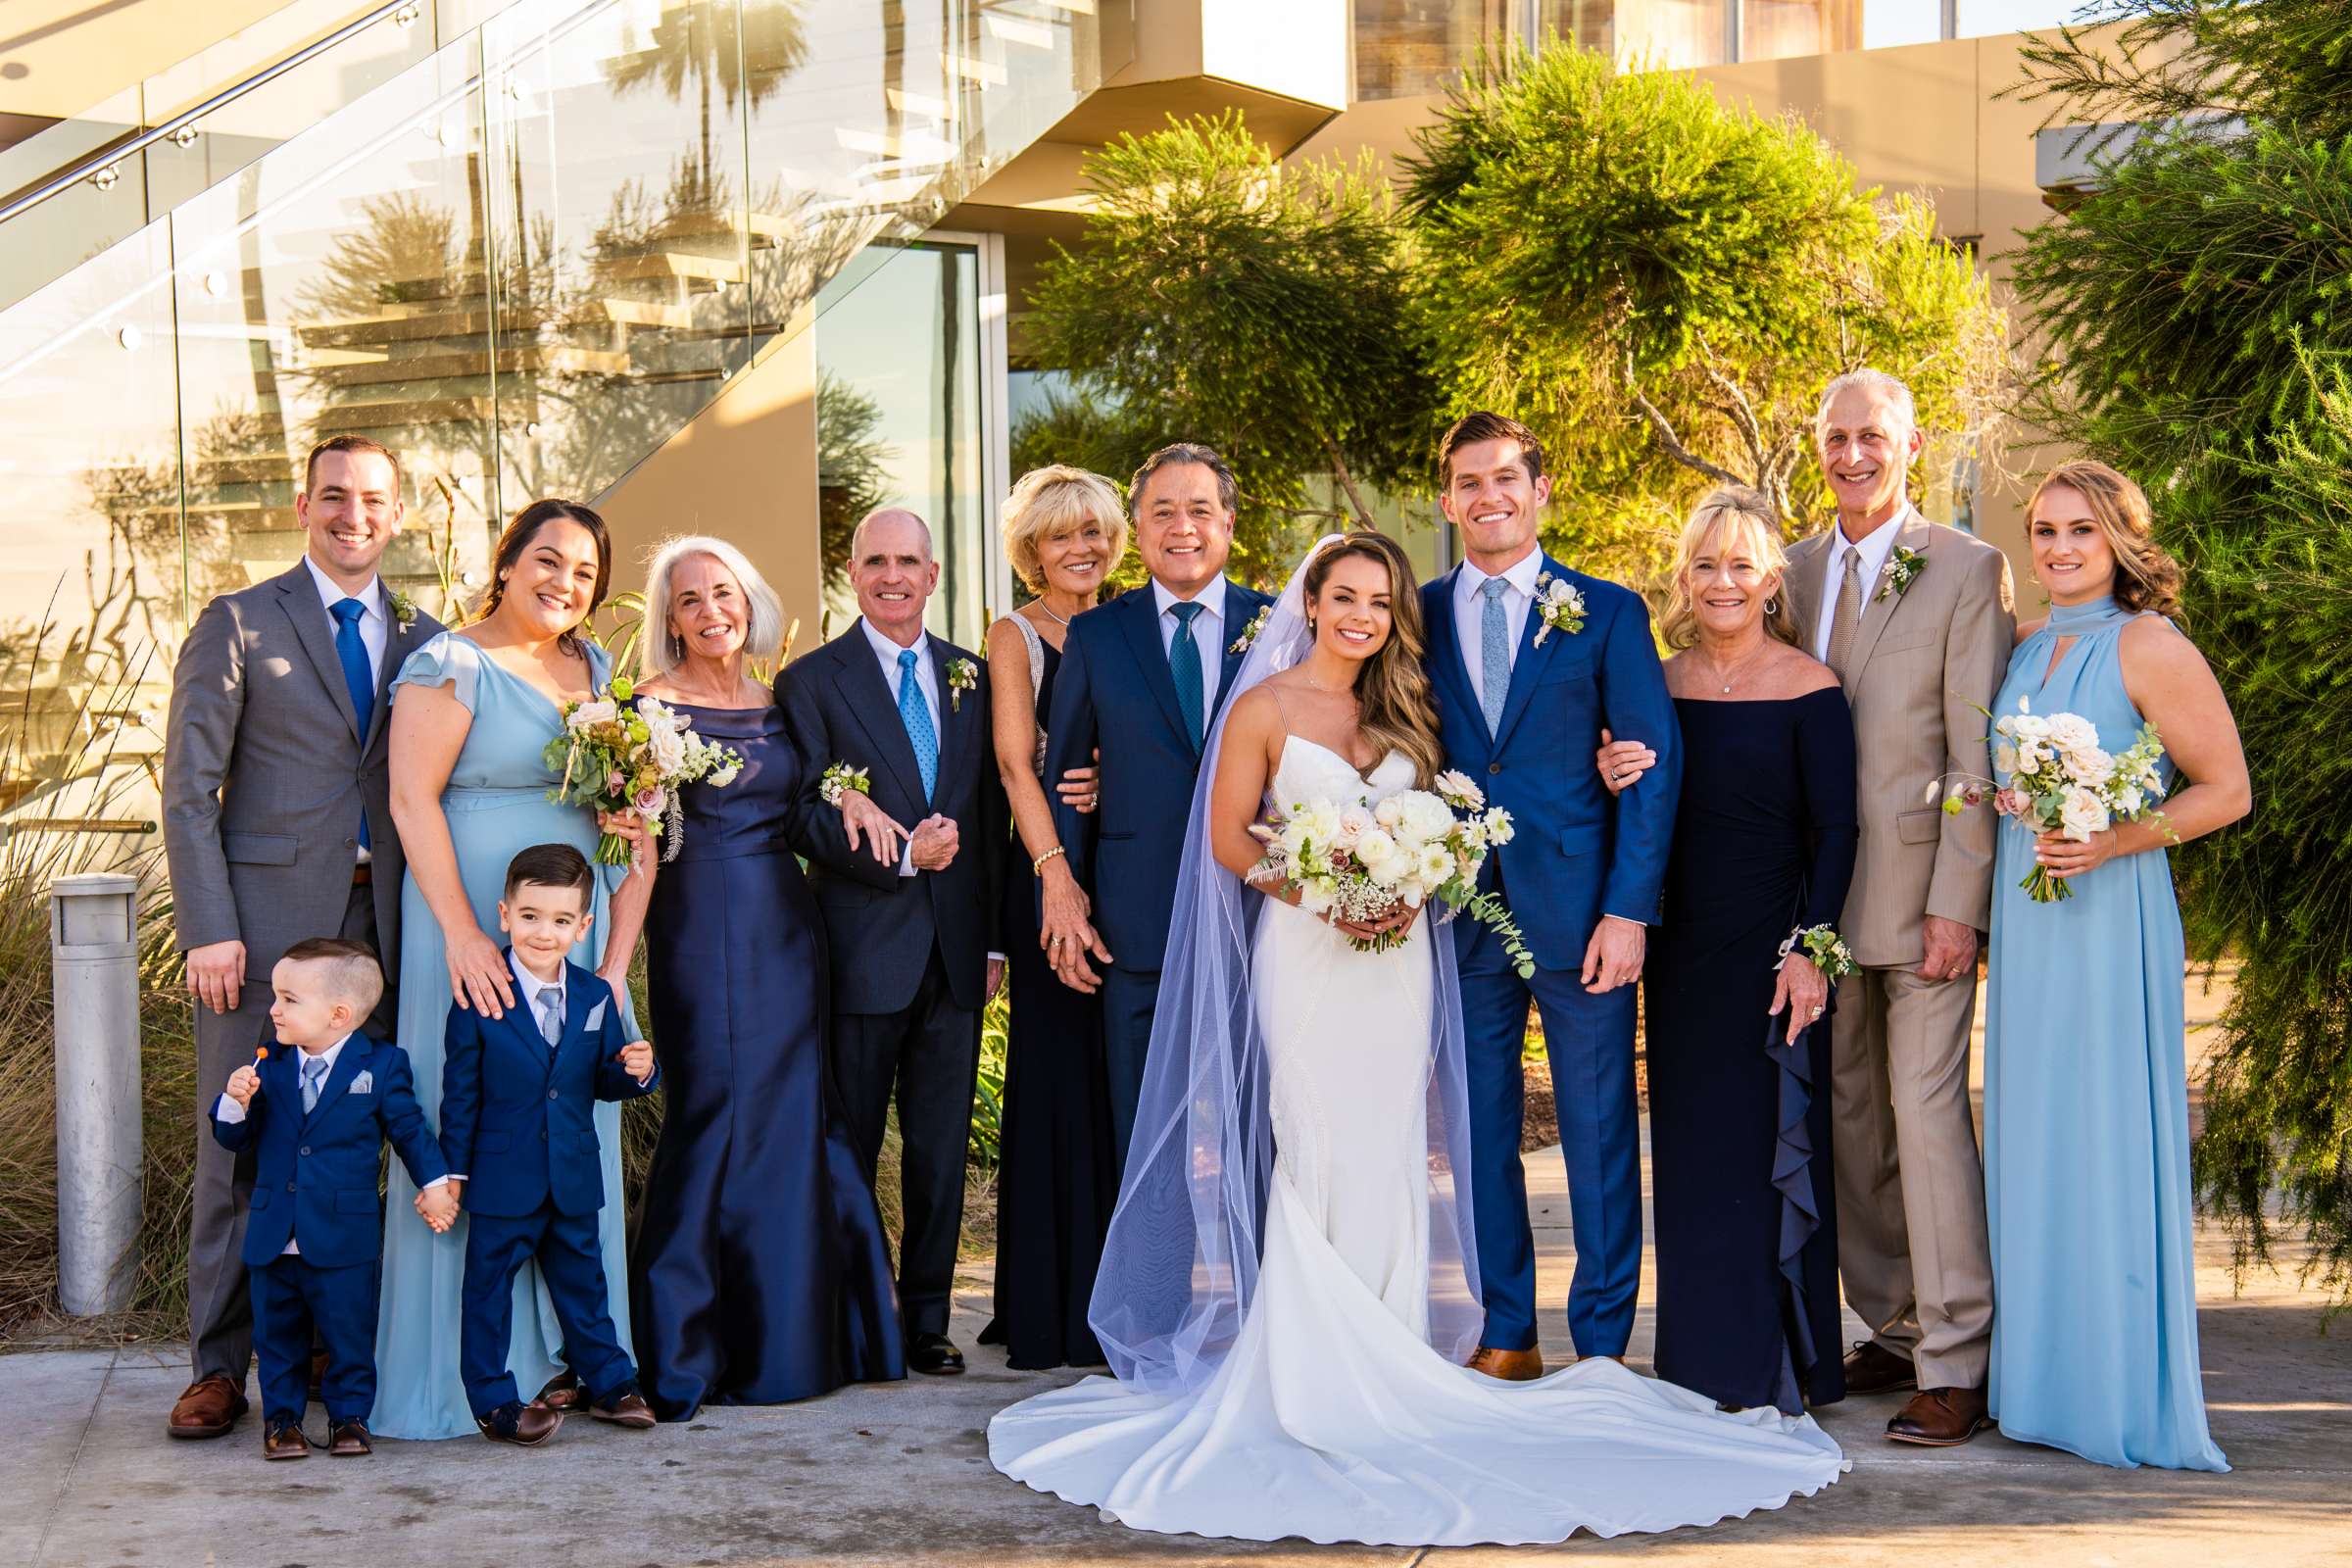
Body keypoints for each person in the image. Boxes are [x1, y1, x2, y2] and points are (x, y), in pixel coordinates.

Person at [988, 532, 1846, 1546]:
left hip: (1399, 958)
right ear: (1310, 602)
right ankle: (1314, 1368)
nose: (1362, 615)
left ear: (1398, 615)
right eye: (1344, 596)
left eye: (1379, 602)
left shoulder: (1407, 710)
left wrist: (1428, 872)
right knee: (1313, 1144)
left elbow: (1464, 803)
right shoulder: (1262, 708)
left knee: (1400, 1144)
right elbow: (1228, 840)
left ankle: (1403, 1346)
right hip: (1308, 957)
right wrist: (1327, 893)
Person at [163, 435, 443, 1441]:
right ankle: (216, 1369)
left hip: (387, 927)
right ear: (302, 505)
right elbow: (189, 789)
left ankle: (326, 1347)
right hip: (265, 932)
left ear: (397, 511)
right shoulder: (239, 620)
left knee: (358, 1142)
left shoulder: (425, 631)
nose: (353, 514)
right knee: (239, 1141)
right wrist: (209, 928)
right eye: (334, 496)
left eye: (372, 499)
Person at [600, 535, 906, 1420]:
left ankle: (807, 1340)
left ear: (749, 599)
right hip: (701, 927)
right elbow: (641, 852)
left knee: (795, 1115)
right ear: (669, 618)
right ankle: (694, 1352)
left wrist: (848, 794)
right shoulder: (642, 708)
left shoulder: (782, 702)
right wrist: (617, 970)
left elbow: (816, 794)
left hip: (787, 926)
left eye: (722, 593)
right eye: (689, 599)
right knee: (716, 1111)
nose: (710, 612)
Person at [1983, 462, 2245, 1470]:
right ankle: (2042, 1384)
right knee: (2037, 1138)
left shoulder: (2150, 644)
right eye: (2045, 530)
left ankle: (2114, 1390)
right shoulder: (2027, 643)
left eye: (2080, 532)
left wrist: (2116, 838)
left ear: (2121, 543)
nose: (2056, 548)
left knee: (2102, 1136)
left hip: (2108, 918)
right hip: (2032, 916)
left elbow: (2227, 789)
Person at [375, 498, 647, 1440]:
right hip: (470, 915)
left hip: (573, 919)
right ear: (507, 562)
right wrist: (459, 932)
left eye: (583, 572)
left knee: (568, 1122)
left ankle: (577, 1360)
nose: (563, 583)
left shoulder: (595, 666)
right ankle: (465, 1375)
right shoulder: (450, 661)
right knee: (476, 1110)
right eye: (546, 559)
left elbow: (616, 792)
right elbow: (412, 800)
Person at [1417, 412, 1681, 1379]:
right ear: (1447, 501)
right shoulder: (1420, 611)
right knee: (1478, 1128)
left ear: (1539, 491)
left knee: (1599, 1129)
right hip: (1458, 911)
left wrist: (1630, 909)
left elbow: (1650, 765)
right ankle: (1507, 1331)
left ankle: (1604, 1343)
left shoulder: (1604, 611)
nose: (1488, 496)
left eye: (1505, 478)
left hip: (1582, 911)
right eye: (1468, 482)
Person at [1784, 369, 2014, 1446]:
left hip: (1925, 899)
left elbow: (1976, 754)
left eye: (1872, 435)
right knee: (1853, 1121)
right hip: (1821, 905)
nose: (1853, 454)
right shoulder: (1787, 570)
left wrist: (1958, 900)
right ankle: (1897, 1319)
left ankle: (1958, 1358)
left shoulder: (1969, 567)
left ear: (1911, 443)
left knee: (1925, 1123)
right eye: (1836, 436)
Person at [1597, 489, 1857, 1414]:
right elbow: (1632, 813)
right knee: (1695, 1154)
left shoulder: (1812, 687)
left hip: (1774, 954)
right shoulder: (1653, 685)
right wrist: (1611, 771)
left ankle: (1789, 1361)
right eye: (1705, 565)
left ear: (1771, 579)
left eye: (1742, 564)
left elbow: (1839, 832)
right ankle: (1699, 1359)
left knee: (1769, 1150)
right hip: (1681, 956)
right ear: (1683, 579)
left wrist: (1811, 953)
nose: (1722, 582)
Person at [776, 508, 1006, 1377]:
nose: (892, 575)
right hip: (861, 948)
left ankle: (927, 1321)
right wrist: (901, 858)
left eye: (908, 561)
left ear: (934, 574)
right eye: (875, 561)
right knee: (854, 1140)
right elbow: (798, 812)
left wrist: (993, 946)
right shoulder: (810, 682)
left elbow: (986, 819)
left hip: (956, 957)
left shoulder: (972, 678)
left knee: (940, 1151)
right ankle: (855, 1313)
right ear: (852, 571)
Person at [1040, 444, 1277, 1167]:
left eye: (1200, 510)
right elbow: (1068, 780)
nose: (1183, 528)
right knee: (1143, 1146)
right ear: (1136, 533)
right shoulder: (1096, 635)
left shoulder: (1279, 630)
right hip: (1131, 929)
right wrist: (1068, 901)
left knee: (1261, 1135)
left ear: (1229, 525)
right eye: (1163, 512)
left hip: (1261, 919)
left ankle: (1263, 1283)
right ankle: (1155, 1284)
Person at [976, 466, 1124, 1370]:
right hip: (1051, 869)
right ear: (1032, 549)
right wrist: (1056, 883)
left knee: (1114, 1089)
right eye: (1063, 535)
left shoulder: (1131, 626)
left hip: (1129, 867)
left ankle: (1114, 1298)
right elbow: (1014, 767)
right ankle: (1049, 1308)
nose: (1083, 549)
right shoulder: (1016, 635)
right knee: (1059, 1078)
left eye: (1096, 532)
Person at [441, 844, 662, 1445]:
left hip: (571, 1174)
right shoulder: (479, 995)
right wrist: (450, 1176)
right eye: (531, 916)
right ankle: (494, 1403)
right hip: (501, 1177)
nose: (545, 932)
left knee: (585, 1286)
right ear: (505, 914)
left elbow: (603, 1080)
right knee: (487, 1293)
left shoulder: (594, 996)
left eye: (562, 920)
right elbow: (459, 1095)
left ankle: (613, 1385)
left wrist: (638, 1069)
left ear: (584, 926)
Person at [209, 940, 455, 1459]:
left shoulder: (383, 1065)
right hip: (275, 1236)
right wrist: (234, 1103)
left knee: (349, 1333)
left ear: (339, 1014)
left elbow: (409, 1130)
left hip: (345, 1236)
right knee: (278, 1339)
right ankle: (282, 1422)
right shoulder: (268, 1065)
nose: (274, 1008)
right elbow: (237, 1138)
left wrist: (435, 1186)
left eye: (289, 999)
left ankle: (350, 1418)